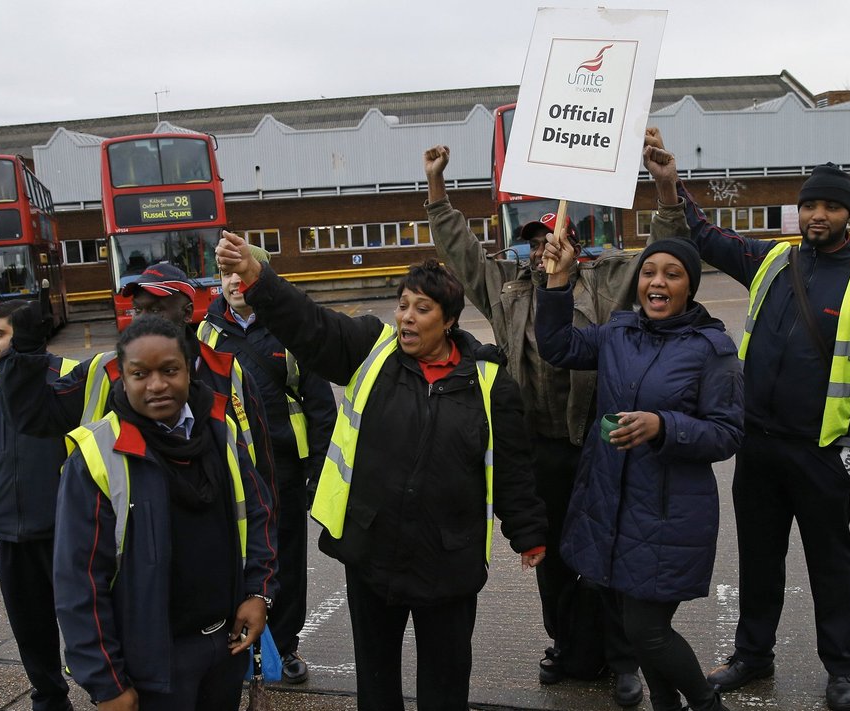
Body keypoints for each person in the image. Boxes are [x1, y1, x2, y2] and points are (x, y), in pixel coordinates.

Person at [215, 230, 548, 711]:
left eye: (423, 308)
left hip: (449, 560)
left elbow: (514, 467)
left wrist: (529, 531)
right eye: (403, 304)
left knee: (445, 685)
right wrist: (257, 278)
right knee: (376, 685)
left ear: (450, 321)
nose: (407, 317)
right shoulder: (373, 349)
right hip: (374, 554)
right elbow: (313, 326)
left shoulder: (489, 383)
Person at [643, 136, 850, 711]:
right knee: (759, 559)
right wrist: (668, 184)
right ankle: (752, 656)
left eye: (830, 207)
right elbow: (706, 237)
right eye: (811, 205)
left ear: (848, 215)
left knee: (829, 564)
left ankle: (841, 668)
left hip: (821, 453)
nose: (818, 215)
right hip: (757, 445)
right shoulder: (773, 260)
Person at [423, 144, 646, 705]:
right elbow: (461, 251)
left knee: (606, 555)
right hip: (537, 448)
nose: (546, 244)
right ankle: (569, 649)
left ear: (573, 239)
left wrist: (664, 191)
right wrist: (436, 190)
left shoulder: (609, 281)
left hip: (598, 443)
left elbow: (668, 250)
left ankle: (622, 660)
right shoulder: (507, 285)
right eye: (536, 237)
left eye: (555, 235)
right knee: (552, 560)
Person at [535, 236, 745, 711]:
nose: (657, 281)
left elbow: (728, 434)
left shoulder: (712, 349)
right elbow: (556, 346)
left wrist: (663, 425)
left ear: (689, 286)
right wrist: (558, 279)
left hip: (669, 512)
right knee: (636, 625)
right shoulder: (617, 332)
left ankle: (707, 705)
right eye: (650, 272)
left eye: (672, 274)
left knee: (647, 630)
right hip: (613, 503)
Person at [53, 316, 277, 711]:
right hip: (153, 661)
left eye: (169, 370)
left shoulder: (219, 429)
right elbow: (78, 580)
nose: (156, 385)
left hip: (225, 645)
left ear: (189, 369)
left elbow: (257, 514)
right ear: (122, 377)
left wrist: (259, 592)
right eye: (140, 374)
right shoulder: (97, 455)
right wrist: (106, 681)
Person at [0, 261, 277, 500]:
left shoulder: (227, 371)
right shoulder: (105, 369)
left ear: (187, 313)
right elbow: (33, 416)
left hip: (212, 524)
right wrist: (25, 351)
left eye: (155, 310)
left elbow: (262, 466)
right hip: (131, 528)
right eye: (138, 310)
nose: (142, 319)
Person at [197, 245, 337, 684]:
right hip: (231, 471)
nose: (234, 283)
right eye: (226, 275)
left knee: (286, 561)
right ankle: (236, 642)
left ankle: (286, 645)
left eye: (242, 274)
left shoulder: (289, 328)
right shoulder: (204, 333)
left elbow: (319, 406)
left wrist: (318, 470)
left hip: (285, 470)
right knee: (235, 559)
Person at [0, 300, 79, 711]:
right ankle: (50, 700)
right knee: (30, 630)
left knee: (87, 626)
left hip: (71, 533)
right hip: (11, 533)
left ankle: (109, 693)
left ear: (24, 337)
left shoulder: (72, 376)